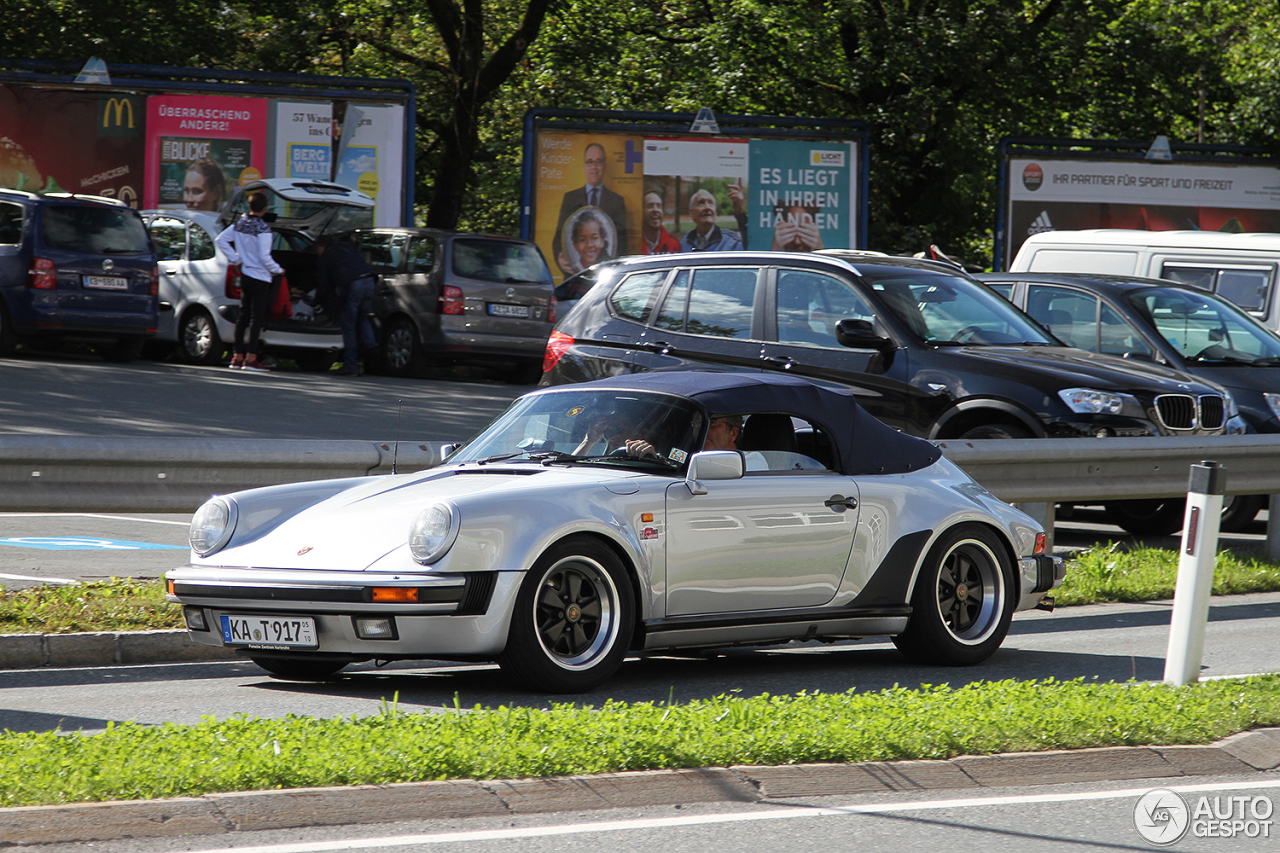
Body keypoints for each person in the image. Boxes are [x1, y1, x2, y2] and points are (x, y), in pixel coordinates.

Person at [215, 193, 282, 371]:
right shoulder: (264, 228)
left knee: (243, 316)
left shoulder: (239, 224)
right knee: (256, 318)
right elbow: (264, 257)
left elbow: (220, 240)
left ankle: (237, 357)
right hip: (261, 277)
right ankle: (251, 359)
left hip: (245, 275)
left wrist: (236, 259)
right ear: (265, 209)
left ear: (249, 206)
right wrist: (277, 270)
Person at [552, 142, 628, 272]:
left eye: (598, 162)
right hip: (576, 274)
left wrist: (614, 268)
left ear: (604, 166)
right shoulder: (570, 198)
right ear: (584, 166)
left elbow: (621, 238)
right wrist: (561, 261)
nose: (594, 167)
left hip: (605, 273)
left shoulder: (616, 200)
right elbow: (560, 235)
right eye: (589, 162)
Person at [315, 236, 379, 376]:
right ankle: (371, 346)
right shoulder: (348, 247)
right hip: (370, 280)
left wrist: (318, 301)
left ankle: (350, 365)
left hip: (353, 284)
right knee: (362, 318)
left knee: (348, 325)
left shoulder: (325, 256)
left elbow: (323, 285)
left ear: (320, 248)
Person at [679, 189, 744, 252]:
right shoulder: (685, 242)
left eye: (710, 203)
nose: (707, 207)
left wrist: (741, 214)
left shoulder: (730, 241)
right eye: (701, 203)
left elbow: (750, 249)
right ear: (691, 213)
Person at [559, 209, 612, 274]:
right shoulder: (573, 270)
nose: (589, 245)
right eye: (583, 240)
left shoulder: (608, 271)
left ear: (602, 241)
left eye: (594, 238)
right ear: (575, 245)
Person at [641, 190, 680, 255]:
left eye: (658, 206)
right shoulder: (634, 244)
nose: (655, 210)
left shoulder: (673, 244)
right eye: (650, 206)